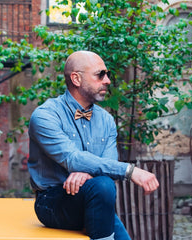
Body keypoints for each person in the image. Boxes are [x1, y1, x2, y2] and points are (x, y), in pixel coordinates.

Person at [28, 50, 159, 240]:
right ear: (76, 79)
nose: (107, 80)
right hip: (53, 202)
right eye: (100, 75)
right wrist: (131, 171)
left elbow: (107, 163)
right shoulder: (45, 116)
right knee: (102, 185)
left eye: (107, 75)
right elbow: (72, 159)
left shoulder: (106, 120)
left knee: (102, 184)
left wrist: (86, 172)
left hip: (92, 195)